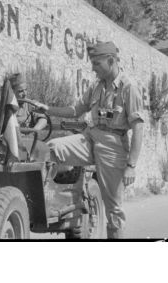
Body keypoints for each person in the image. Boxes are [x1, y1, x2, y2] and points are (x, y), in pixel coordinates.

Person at [32, 41, 144, 239]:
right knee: (52, 148)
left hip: (113, 147)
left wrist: (131, 165)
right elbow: (76, 110)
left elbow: (138, 127)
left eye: (96, 63)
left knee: (114, 209)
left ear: (111, 61)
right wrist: (48, 109)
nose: (92, 68)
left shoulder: (129, 87)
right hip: (90, 138)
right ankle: (55, 201)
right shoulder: (96, 86)